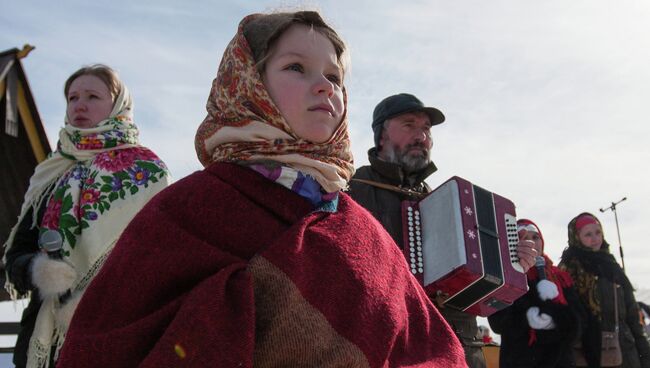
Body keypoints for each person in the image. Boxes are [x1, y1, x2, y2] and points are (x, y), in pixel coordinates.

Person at [57, 11, 466, 367]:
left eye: (334, 76)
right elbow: (107, 342)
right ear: (248, 83)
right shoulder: (189, 208)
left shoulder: (358, 225)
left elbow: (429, 346)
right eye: (295, 67)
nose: (325, 86)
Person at [347, 93, 537, 368]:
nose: (421, 136)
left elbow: (478, 297)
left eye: (426, 129)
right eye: (409, 125)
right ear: (381, 136)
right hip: (385, 349)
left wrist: (512, 263)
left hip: (454, 349)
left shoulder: (443, 203)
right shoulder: (353, 190)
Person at [2, 64, 170, 367]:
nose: (79, 105)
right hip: (45, 344)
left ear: (119, 106)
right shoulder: (50, 174)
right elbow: (15, 256)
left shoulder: (147, 173)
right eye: (72, 97)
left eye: (93, 96)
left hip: (118, 336)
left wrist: (97, 300)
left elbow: (162, 259)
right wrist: (38, 270)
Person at [559, 213, 650, 368]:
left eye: (598, 232)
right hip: (589, 351)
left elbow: (632, 315)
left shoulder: (611, 266)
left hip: (625, 349)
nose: (595, 238)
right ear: (576, 236)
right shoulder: (569, 269)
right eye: (588, 234)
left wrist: (645, 355)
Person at [488, 219, 583, 367]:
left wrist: (556, 316)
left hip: (560, 360)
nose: (531, 243)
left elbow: (578, 323)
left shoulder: (560, 277)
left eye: (535, 237)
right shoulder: (504, 275)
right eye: (524, 238)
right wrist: (526, 317)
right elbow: (497, 323)